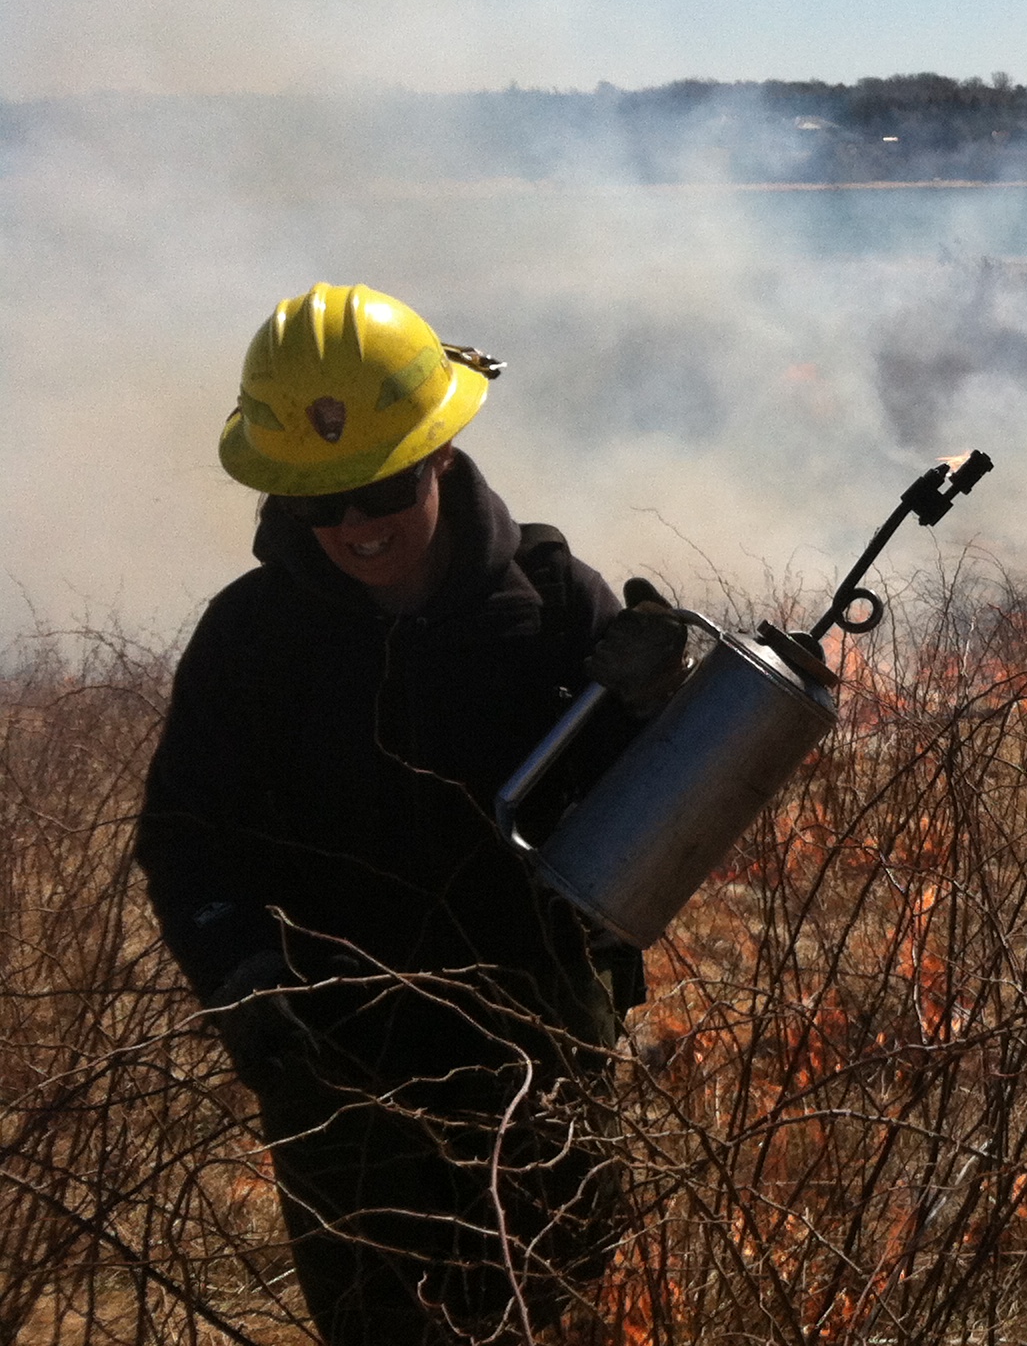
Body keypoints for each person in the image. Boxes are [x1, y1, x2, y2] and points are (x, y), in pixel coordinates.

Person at [136, 284, 685, 1345]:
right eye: (316, 502)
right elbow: (185, 833)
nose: (354, 526)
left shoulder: (560, 604)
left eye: (379, 487)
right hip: (340, 1085)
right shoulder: (250, 641)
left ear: (437, 456)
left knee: (551, 1323)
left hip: (540, 1062)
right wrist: (239, 968)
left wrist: (662, 712)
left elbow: (634, 829)